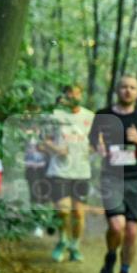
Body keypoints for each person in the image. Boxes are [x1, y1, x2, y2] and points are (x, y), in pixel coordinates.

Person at [89, 75, 137, 273]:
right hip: (111, 176)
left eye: (132, 88)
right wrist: (97, 147)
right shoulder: (103, 115)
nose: (128, 91)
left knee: (132, 232)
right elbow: (92, 140)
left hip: (136, 179)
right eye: (124, 87)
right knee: (116, 226)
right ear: (117, 90)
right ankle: (110, 256)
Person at [43, 85, 95, 262]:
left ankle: (75, 245)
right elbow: (45, 140)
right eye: (69, 93)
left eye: (76, 92)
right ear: (64, 95)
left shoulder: (90, 116)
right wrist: (57, 149)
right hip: (59, 170)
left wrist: (93, 148)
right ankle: (62, 241)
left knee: (79, 214)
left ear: (81, 95)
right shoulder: (56, 115)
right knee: (64, 210)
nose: (72, 95)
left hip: (81, 171)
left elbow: (95, 143)